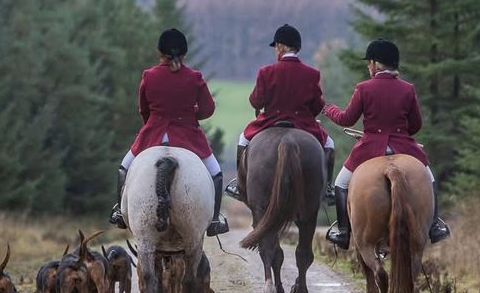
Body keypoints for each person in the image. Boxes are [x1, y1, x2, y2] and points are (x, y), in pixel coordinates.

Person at [321, 38, 450, 249]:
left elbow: (346, 119)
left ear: (375, 63)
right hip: (404, 146)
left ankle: (343, 232)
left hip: (370, 147)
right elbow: (416, 125)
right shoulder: (407, 89)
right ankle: (435, 226)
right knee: (429, 178)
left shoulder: (363, 88)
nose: (367, 66)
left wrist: (329, 109)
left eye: (368, 62)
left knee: (340, 184)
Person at [109, 28, 229, 236]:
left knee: (124, 166)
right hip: (188, 136)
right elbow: (208, 109)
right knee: (216, 172)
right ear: (184, 53)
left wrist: (152, 124)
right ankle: (214, 220)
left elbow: (143, 109)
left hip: (153, 133)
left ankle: (120, 211)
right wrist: (192, 116)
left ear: (160, 52)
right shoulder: (195, 77)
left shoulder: (149, 76)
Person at [224, 24, 335, 205]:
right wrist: (308, 115)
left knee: (243, 140)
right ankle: (327, 188)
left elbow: (256, 101)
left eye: (276, 46)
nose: (275, 50)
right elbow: (317, 105)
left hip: (270, 122)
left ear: (281, 47)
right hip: (303, 123)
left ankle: (240, 185)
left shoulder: (266, 72)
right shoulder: (312, 73)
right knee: (329, 144)